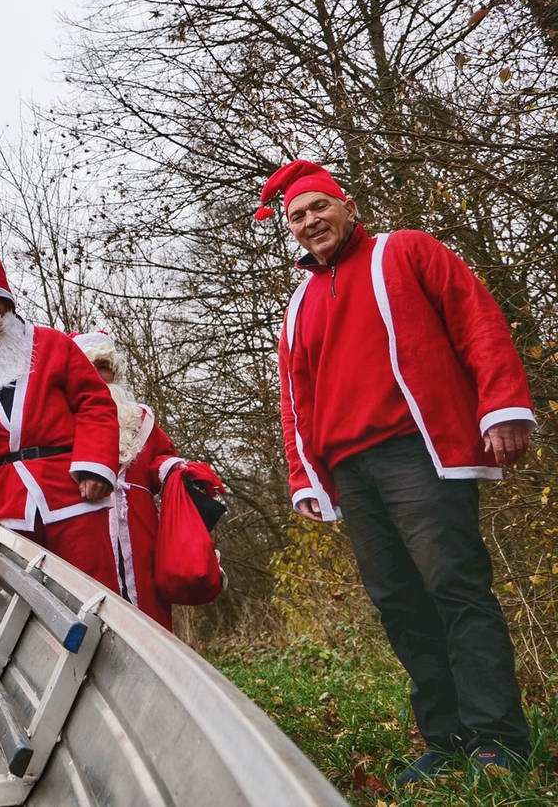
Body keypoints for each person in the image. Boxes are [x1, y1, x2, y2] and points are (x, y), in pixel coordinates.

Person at [259, 160, 536, 781]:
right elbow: (294, 397)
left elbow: (477, 320)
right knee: (399, 604)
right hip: (350, 470)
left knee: (454, 587)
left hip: (417, 450)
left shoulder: (406, 252)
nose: (309, 222)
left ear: (347, 206)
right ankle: (446, 738)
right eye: (297, 217)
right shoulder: (299, 304)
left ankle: (498, 739)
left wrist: (501, 406)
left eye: (318, 208)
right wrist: (304, 475)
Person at [0, 252, 120, 583]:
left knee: (96, 591)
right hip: (6, 505)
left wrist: (94, 466)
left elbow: (95, 404)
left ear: (7, 305)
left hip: (70, 490)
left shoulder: (53, 345)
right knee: (28, 602)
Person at [70, 331, 194, 630]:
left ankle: (160, 669)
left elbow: (158, 459)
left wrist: (176, 470)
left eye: (103, 366)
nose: (98, 376)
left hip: (139, 530)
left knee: (149, 607)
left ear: (115, 371)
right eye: (89, 368)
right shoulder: (64, 419)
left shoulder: (141, 419)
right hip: (87, 525)